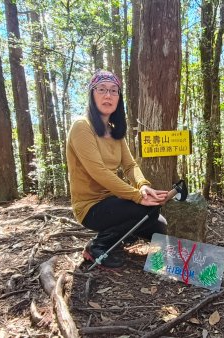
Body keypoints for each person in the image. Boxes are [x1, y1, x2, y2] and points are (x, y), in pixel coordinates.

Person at [66, 70, 168, 268]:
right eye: (102, 89)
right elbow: (99, 172)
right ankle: (97, 245)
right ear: (92, 94)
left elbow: (130, 165)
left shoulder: (114, 131)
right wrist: (137, 196)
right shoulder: (81, 127)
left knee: (159, 227)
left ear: (118, 98)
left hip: (111, 201)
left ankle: (117, 237)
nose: (108, 95)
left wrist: (143, 185)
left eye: (114, 91)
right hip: (90, 207)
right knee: (145, 210)